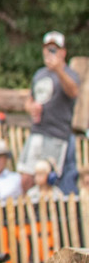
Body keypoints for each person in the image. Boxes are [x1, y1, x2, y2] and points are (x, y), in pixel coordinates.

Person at [23, 32, 80, 194]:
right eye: (48, 49)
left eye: (54, 49)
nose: (50, 53)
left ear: (63, 52)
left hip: (57, 134)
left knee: (49, 178)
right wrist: (31, 107)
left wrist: (58, 70)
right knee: (26, 177)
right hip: (37, 131)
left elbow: (73, 92)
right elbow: (29, 99)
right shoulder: (39, 74)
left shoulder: (69, 74)